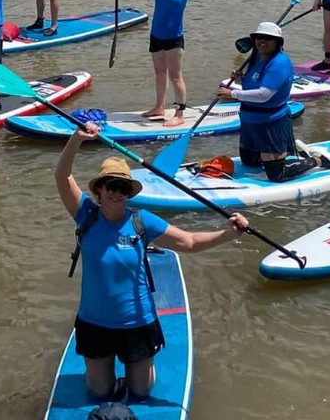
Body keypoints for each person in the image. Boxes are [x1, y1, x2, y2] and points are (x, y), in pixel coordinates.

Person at [55, 123, 249, 402]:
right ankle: (106, 378)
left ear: (129, 192)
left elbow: (189, 242)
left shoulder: (141, 220)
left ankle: (138, 372)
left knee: (141, 392)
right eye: (112, 185)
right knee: (99, 392)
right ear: (100, 190)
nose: (117, 192)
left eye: (123, 187)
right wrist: (76, 139)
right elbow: (62, 176)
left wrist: (229, 234)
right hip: (94, 321)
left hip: (137, 321)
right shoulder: (85, 214)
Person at [117, 0, 232, 127]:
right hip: (156, 36)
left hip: (174, 38)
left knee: (176, 76)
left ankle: (179, 113)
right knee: (160, 74)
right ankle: (159, 107)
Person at [218, 21, 330, 181]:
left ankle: (317, 160)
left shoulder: (280, 63)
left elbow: (264, 95)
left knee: (277, 175)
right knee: (249, 162)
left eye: (267, 38)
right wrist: (241, 78)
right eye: (259, 37)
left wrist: (233, 94)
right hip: (248, 121)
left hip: (269, 122)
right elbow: (254, 82)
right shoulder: (256, 56)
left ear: (277, 43)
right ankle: (291, 149)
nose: (262, 41)